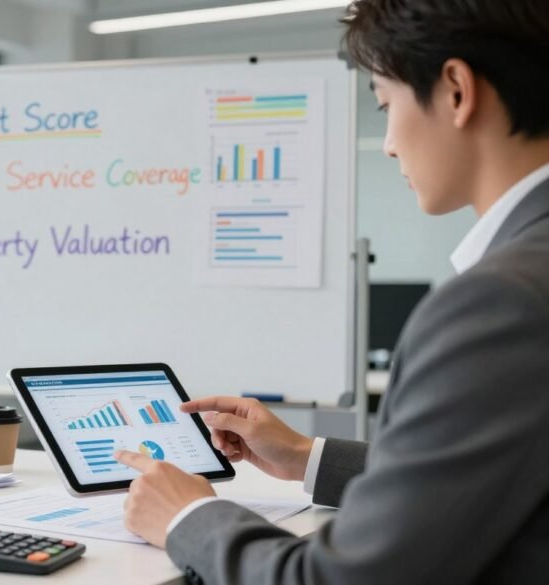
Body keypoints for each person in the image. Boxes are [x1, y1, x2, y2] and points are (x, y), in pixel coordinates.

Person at [114, 1, 549, 583]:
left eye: (386, 105)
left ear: (455, 91)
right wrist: (305, 456)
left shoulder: (500, 302)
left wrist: (186, 516)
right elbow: (490, 476)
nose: (389, 144)